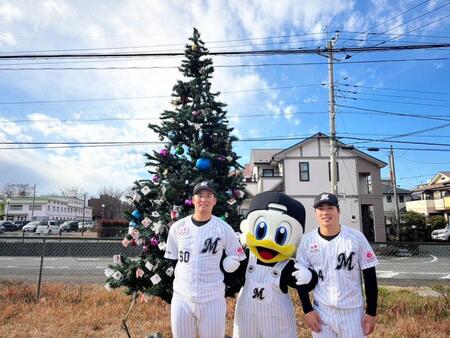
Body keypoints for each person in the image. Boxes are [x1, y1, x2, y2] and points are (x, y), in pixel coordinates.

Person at [164, 180, 246, 338]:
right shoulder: (177, 227)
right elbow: (174, 260)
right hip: (182, 297)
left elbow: (238, 257)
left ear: (214, 201)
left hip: (212, 299)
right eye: (200, 195)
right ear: (193, 200)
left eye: (209, 195)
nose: (204, 199)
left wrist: (228, 267)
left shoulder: (224, 228)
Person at [230, 191, 318, 338]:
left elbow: (302, 286)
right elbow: (231, 278)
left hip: (277, 323)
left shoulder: (287, 266)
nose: (269, 243)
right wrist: (228, 267)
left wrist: (310, 278)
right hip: (246, 319)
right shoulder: (246, 258)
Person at [295, 192, 378, 337]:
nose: (325, 212)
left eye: (330, 207)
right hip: (322, 311)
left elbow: (370, 276)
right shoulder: (307, 240)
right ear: (315, 213)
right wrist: (307, 310)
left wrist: (371, 312)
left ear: (338, 211)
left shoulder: (356, 237)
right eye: (320, 208)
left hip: (352, 311)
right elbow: (300, 279)